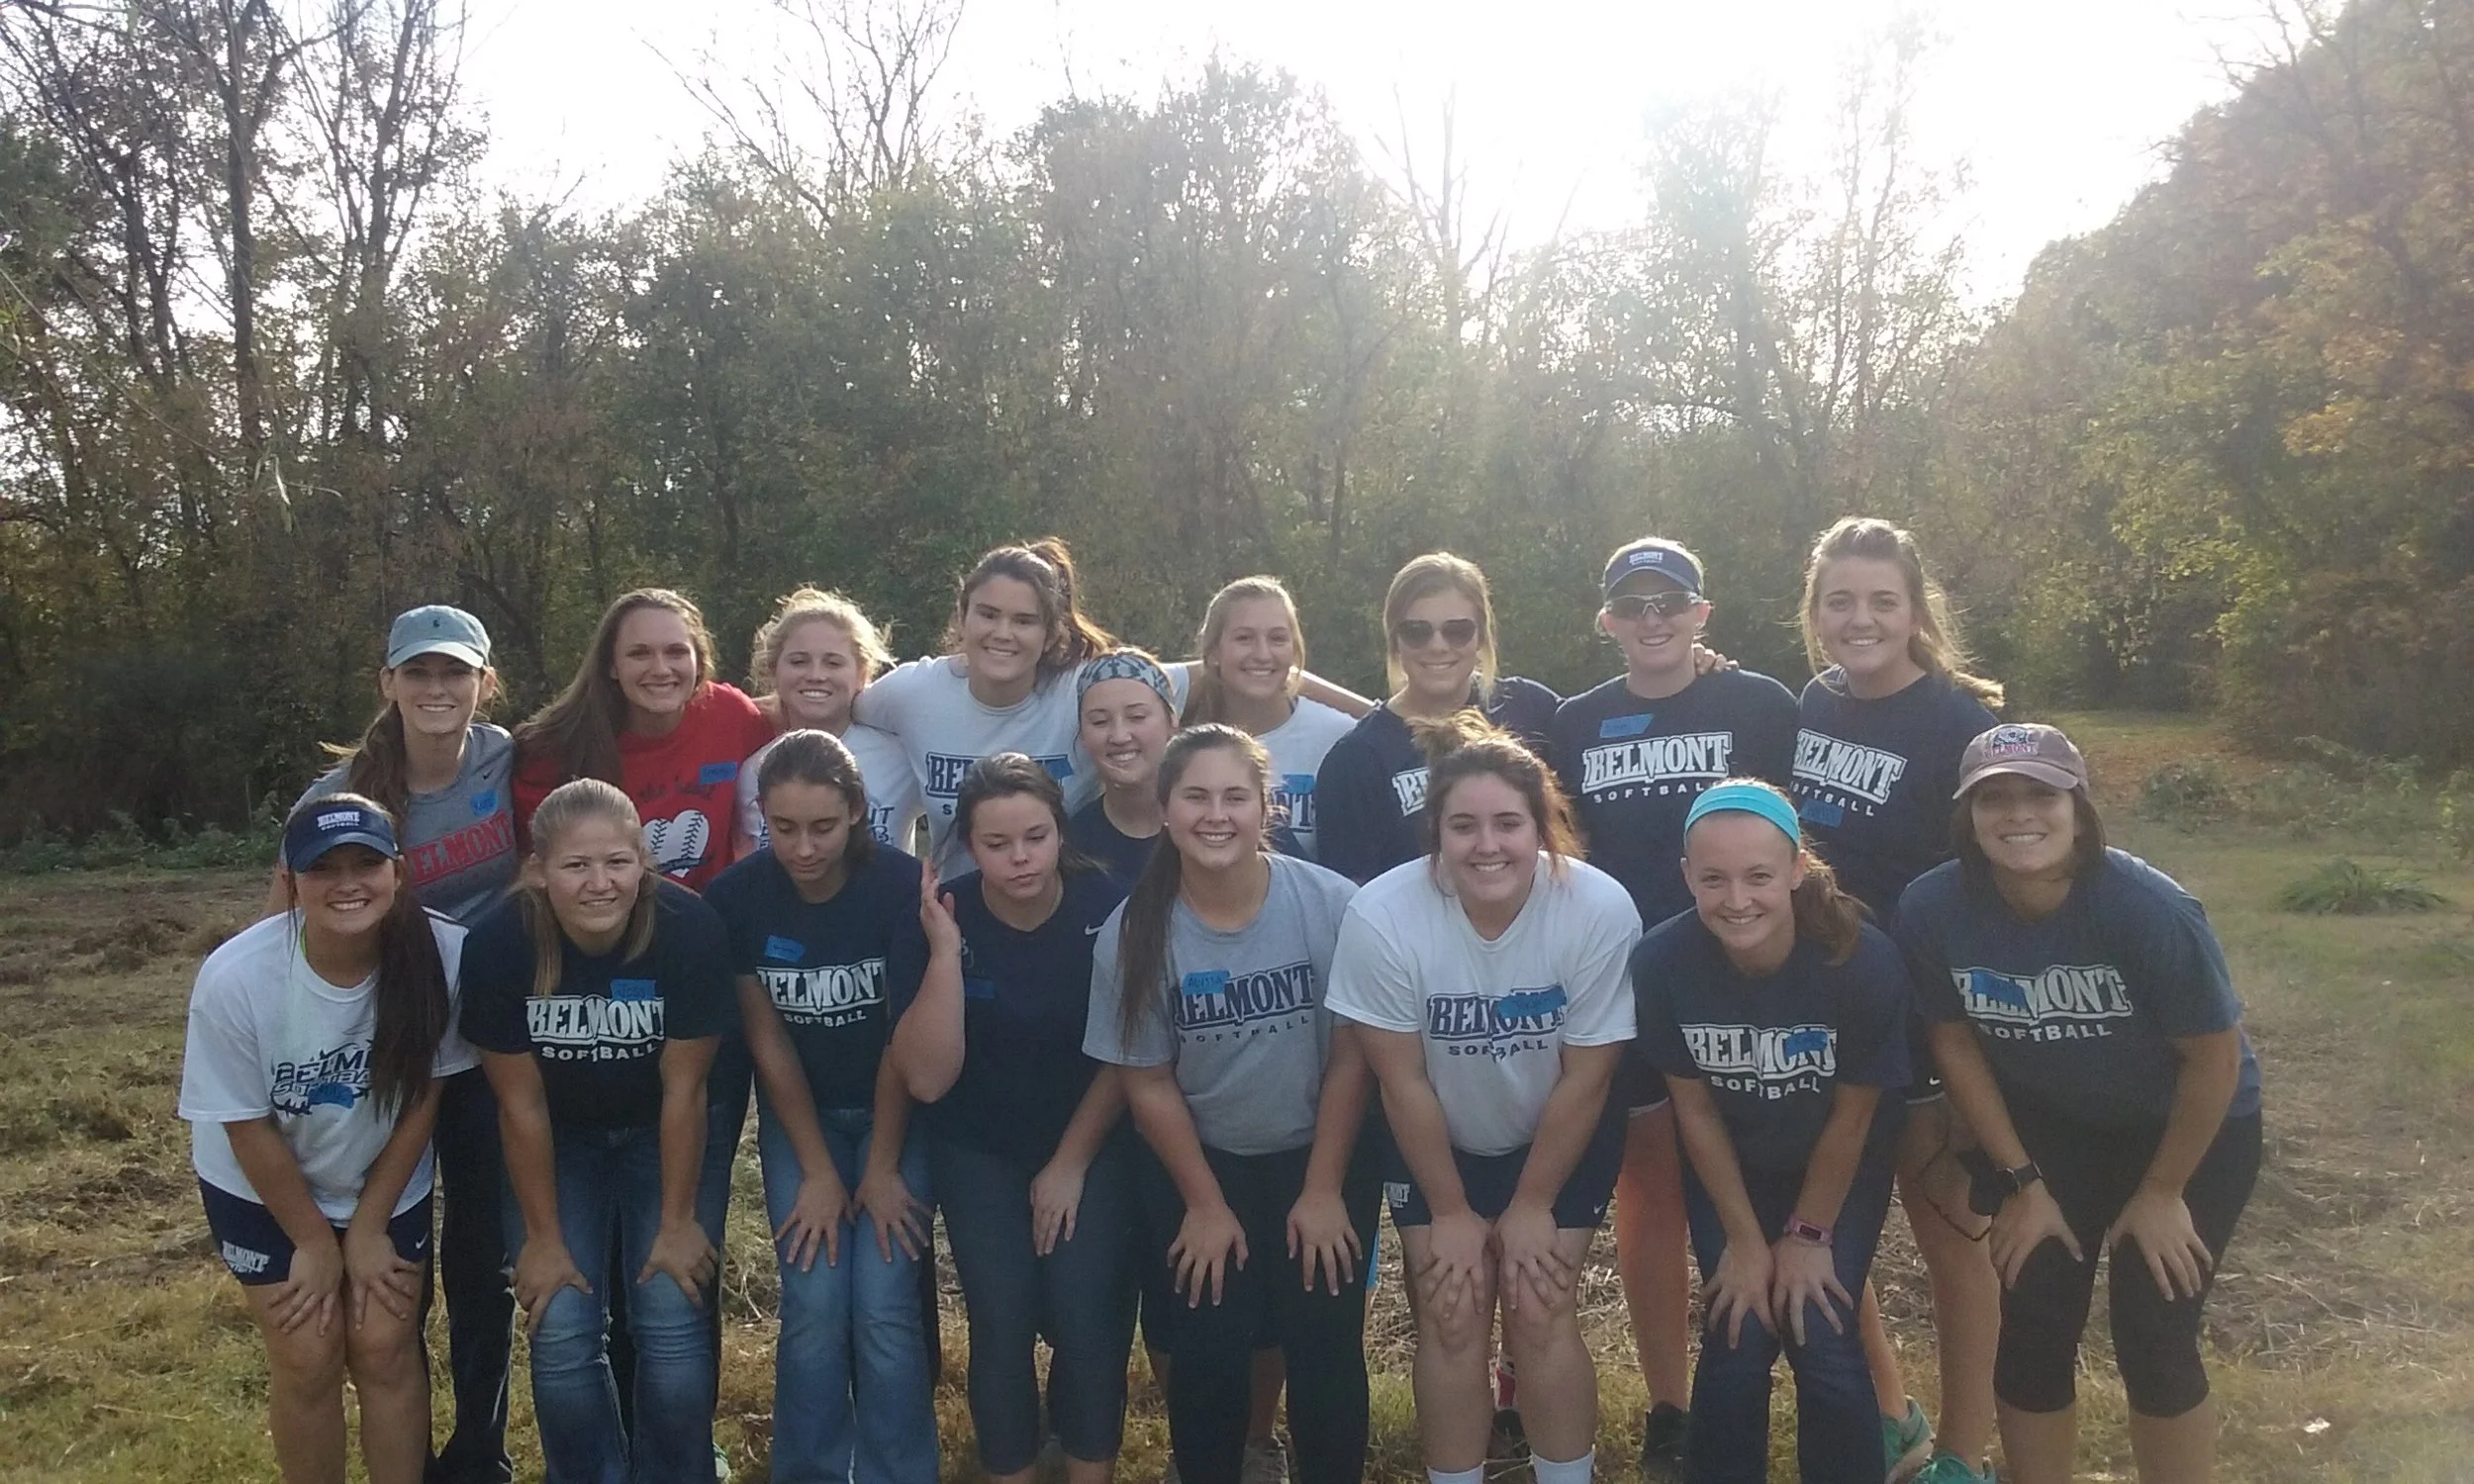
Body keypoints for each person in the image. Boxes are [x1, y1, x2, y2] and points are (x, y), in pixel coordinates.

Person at [1902, 724, 2261, 1484]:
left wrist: (2161, 1193)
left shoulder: (2145, 908)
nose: (2018, 814)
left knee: (2154, 1331)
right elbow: (1954, 1043)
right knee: (2033, 1322)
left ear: (2079, 808)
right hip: (2053, 1126)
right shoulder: (1934, 907)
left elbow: (2215, 1058)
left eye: (2041, 794)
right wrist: (2022, 1182)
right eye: (1994, 798)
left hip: (2184, 1129)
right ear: (1968, 815)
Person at [1325, 716, 1639, 1484]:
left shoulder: (1598, 908)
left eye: (1508, 823)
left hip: (1558, 1127)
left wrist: (1532, 1204)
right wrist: (1452, 1211)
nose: (1487, 845)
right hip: (1434, 1133)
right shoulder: (1383, 914)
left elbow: (1588, 1077)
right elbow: (1400, 1080)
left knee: (1538, 1306)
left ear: (1542, 827)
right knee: (1453, 1314)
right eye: (1463, 826)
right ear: (1435, 833)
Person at [1547, 540, 1800, 1478]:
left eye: (1670, 603)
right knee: (1650, 1196)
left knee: (1792, 1197)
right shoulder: (1574, 721)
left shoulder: (1760, 704)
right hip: (1633, 984)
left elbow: (1800, 838)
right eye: (1632, 605)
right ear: (1607, 620)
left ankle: (1871, 1400)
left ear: (1703, 613)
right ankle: (1671, 1407)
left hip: (1752, 979)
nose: (1651, 620)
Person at [1083, 726, 1375, 1484]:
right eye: (1197, 797)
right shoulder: (1133, 932)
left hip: (1320, 1152)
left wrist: (1323, 1189)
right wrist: (1205, 1206)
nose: (1217, 815)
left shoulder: (1331, 905)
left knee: (1324, 1346)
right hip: (1201, 1161)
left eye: (1235, 797)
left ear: (1266, 807)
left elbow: (1352, 1056)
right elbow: (1147, 1080)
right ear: (1165, 810)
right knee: (1208, 1349)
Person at [270, 603, 520, 1483]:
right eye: (418, 671)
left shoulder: (509, 760)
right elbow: (282, 927)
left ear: (485, 683)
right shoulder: (338, 798)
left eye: (455, 672)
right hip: (388, 1051)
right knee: (393, 1257)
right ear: (388, 683)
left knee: (483, 1258)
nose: (436, 688)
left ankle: (480, 1451)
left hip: (489, 1043)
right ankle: (399, 1444)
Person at [1790, 516, 2007, 1484]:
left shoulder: (1957, 726)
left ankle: (1963, 1453)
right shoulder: (1815, 702)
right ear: (1815, 612)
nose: (1861, 619)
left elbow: (1991, 887)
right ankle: (1890, 1416)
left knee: (1951, 1237)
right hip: (1825, 1006)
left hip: (1926, 1020)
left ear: (1916, 611)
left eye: (1882, 600)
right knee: (1833, 1223)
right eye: (1840, 600)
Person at [182, 794, 470, 1484]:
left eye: (366, 863)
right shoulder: (235, 978)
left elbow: (425, 1095)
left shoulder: (445, 954)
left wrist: (367, 1228)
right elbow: (244, 1123)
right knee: (308, 1353)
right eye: (324, 868)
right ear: (291, 881)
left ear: (398, 871)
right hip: (259, 1182)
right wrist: (313, 1241)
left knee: (384, 1345)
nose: (348, 884)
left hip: (381, 1173)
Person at [1631, 782, 1912, 1484]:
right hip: (1733, 1166)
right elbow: (1694, 1112)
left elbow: (1854, 1116)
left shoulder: (1860, 960)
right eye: (1714, 879)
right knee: (1738, 1330)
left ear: (1796, 870)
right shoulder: (1663, 962)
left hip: (1838, 1164)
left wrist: (1808, 1237)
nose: (1737, 900)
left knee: (1821, 1331)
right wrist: (1745, 1242)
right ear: (1687, 876)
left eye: (1758, 876)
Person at [459, 780, 735, 1484]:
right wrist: (543, 1238)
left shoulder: (689, 929)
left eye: (617, 862)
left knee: (671, 1316)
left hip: (659, 1131)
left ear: (644, 862)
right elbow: (520, 1106)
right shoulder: (498, 944)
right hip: (559, 1141)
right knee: (560, 1326)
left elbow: (685, 1090)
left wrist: (677, 1223)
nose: (599, 883)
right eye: (576, 866)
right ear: (538, 871)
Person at [888, 754, 1139, 1484]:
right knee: (1000, 1324)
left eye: (1035, 837)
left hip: (1091, 1140)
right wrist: (944, 955)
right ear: (968, 844)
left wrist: (1069, 1164)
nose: (1019, 858)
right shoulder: (937, 918)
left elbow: (1129, 1054)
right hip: (979, 1147)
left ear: (1061, 832)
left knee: (1088, 1321)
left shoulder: (1110, 908)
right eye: (996, 844)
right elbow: (926, 1079)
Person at [705, 730, 938, 1482]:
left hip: (896, 1115)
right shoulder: (737, 899)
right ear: (761, 817)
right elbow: (767, 1042)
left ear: (859, 812)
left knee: (884, 1306)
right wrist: (815, 1169)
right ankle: (809, 1469)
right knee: (811, 1302)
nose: (803, 848)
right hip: (799, 1118)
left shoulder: (901, 887)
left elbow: (902, 1036)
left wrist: (881, 1167)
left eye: (823, 827)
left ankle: (899, 1471)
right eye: (784, 828)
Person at [851, 540, 1117, 876]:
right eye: (988, 615)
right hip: (954, 903)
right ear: (963, 617)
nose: (1003, 633)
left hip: (1065, 903)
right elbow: (839, 707)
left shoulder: (1086, 690)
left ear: (1050, 635)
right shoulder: (914, 691)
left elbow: (1175, 685)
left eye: (1024, 621)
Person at [1313, 552, 1559, 888]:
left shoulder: (1532, 708)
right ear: (1394, 640)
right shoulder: (1356, 759)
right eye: (1417, 632)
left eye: (1458, 631)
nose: (1438, 646)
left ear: (1481, 636)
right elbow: (1349, 891)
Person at [513, 588, 774, 893]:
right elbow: (535, 874)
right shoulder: (555, 752)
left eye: (676, 652)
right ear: (611, 665)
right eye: (639, 654)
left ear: (699, 662)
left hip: (710, 914)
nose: (661, 669)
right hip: (603, 913)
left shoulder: (732, 716)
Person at [1177, 576, 1361, 862]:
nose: (1262, 654)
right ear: (1213, 652)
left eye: (1277, 639)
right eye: (1244, 638)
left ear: (1294, 650)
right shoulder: (1185, 742)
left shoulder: (1340, 737)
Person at [732, 588, 926, 857]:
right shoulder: (754, 771)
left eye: (833, 663)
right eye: (798, 662)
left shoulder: (901, 759)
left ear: (862, 674)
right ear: (774, 671)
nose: (816, 675)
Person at [1067, 649, 1182, 885]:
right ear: (1082, 735)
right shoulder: (1072, 847)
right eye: (1100, 721)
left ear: (1172, 722)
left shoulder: (1205, 823)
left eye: (1137, 717)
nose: (1119, 736)